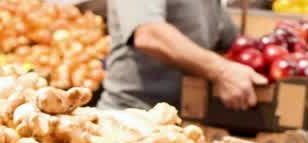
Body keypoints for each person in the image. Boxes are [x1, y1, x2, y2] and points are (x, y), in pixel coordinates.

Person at [99, 0, 266, 111]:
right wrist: (222, 71)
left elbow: (230, 40)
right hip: (130, 119)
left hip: (179, 123)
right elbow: (149, 34)